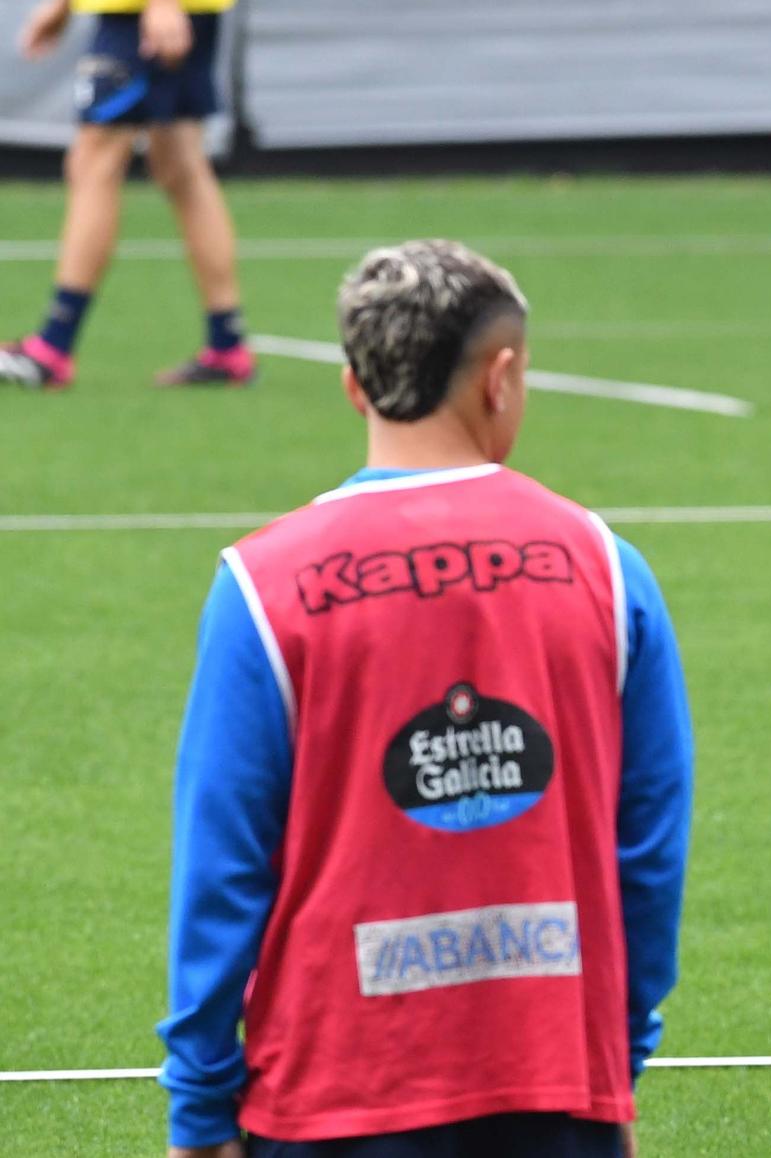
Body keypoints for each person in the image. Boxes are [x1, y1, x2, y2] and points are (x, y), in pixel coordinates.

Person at [157, 241, 693, 1158]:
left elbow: (223, 863)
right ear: (503, 376)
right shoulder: (607, 566)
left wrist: (202, 1105)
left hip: (329, 1094)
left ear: (354, 388)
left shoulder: (261, 583)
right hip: (558, 1080)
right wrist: (615, 1058)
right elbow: (648, 840)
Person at [3, 0, 252, 390]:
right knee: (180, 164)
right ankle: (227, 343)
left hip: (147, 1)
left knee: (94, 158)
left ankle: (52, 348)